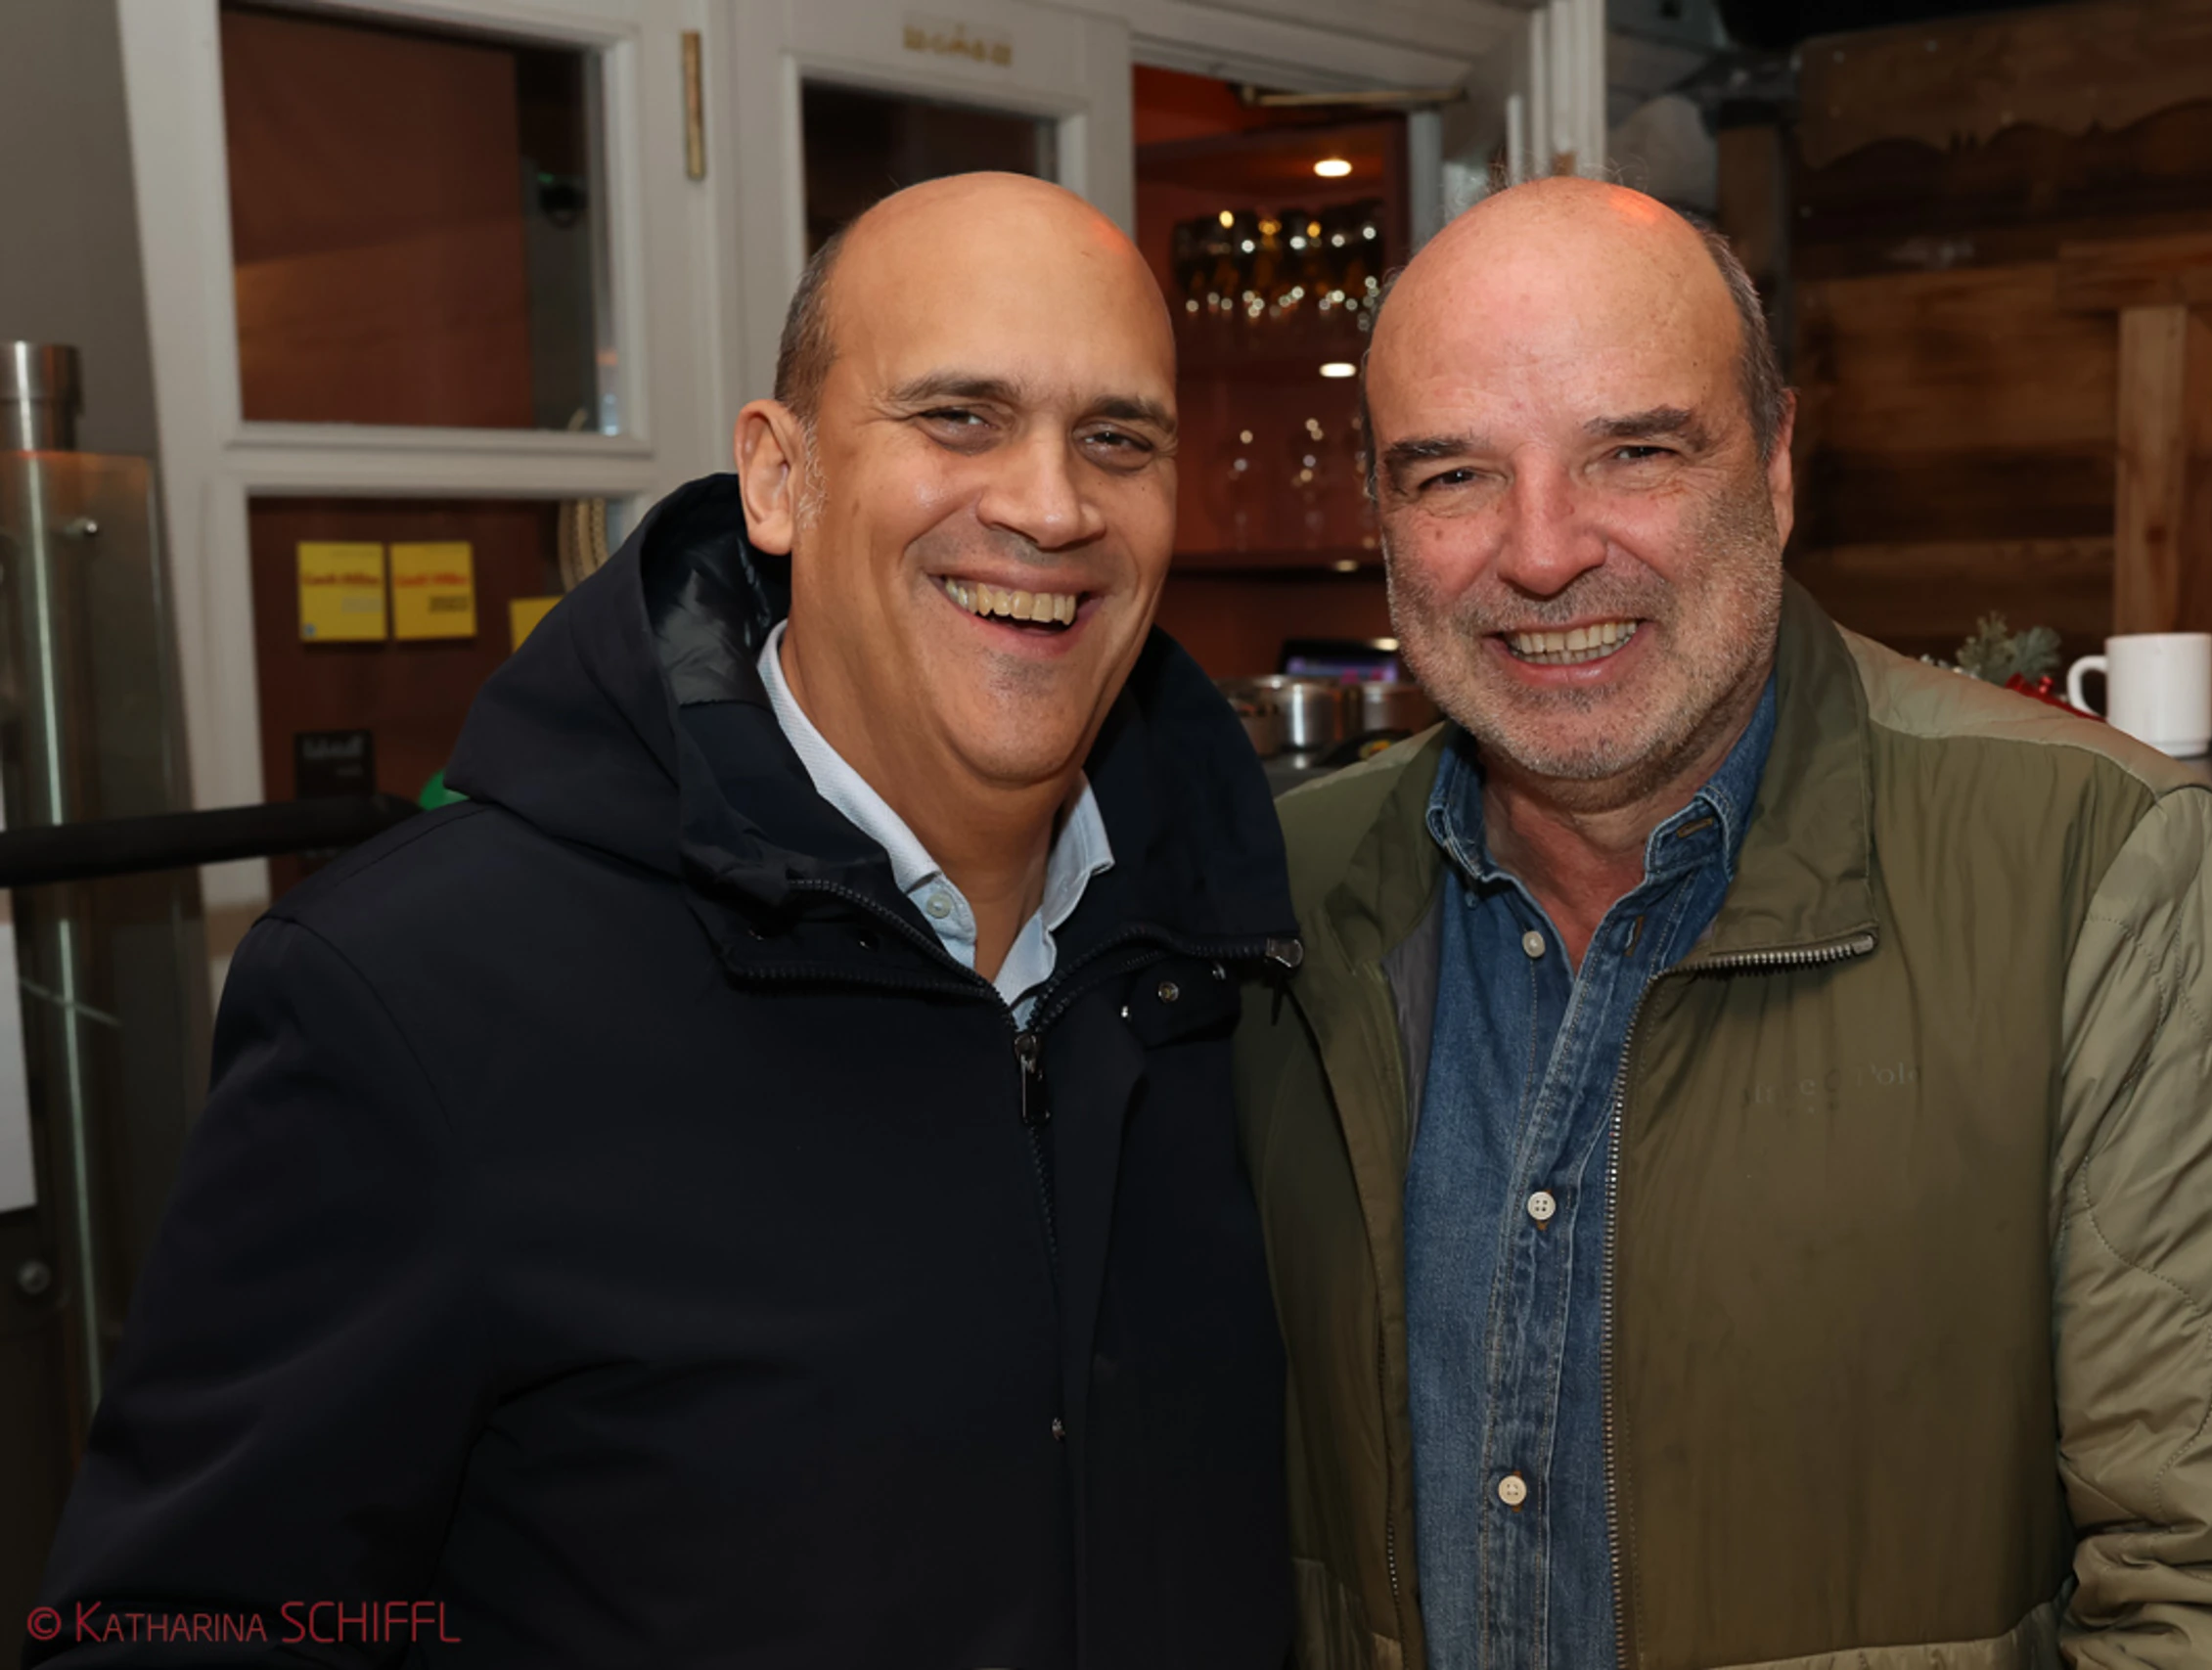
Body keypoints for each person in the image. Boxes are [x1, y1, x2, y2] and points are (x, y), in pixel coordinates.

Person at [33, 173, 1298, 1669]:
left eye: (1118, 439)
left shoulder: (1235, 961)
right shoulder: (417, 996)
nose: (1051, 503)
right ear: (778, 476)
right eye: (959, 416)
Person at [1235, 177, 2212, 1670]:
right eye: (1452, 475)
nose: (1542, 550)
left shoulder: (2099, 869)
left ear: (1778, 465)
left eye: (1634, 451)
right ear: (1381, 521)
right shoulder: (1276, 905)